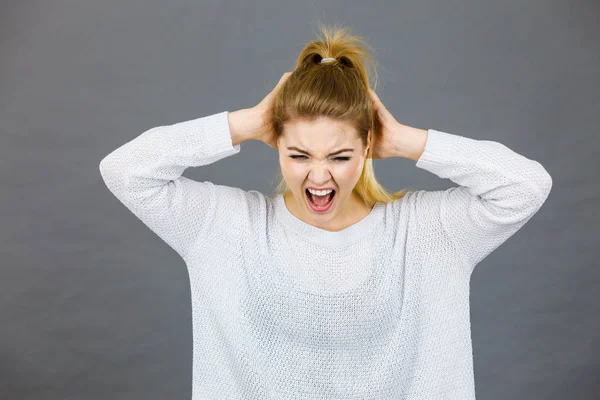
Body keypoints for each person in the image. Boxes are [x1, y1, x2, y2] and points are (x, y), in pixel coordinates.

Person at [99, 24, 552, 400]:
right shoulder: (228, 228)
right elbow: (125, 170)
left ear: (368, 147)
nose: (319, 177)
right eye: (299, 155)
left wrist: (407, 141)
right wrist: (246, 123)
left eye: (338, 157)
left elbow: (526, 186)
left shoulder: (427, 232)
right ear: (275, 145)